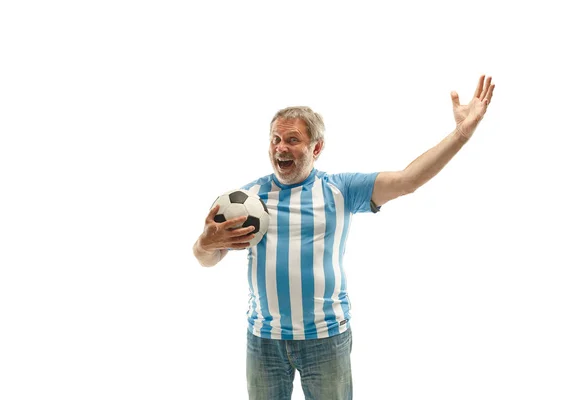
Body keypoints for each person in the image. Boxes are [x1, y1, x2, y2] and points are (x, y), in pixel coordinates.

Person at [193, 75, 495, 400]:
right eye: (275, 139)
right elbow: (206, 258)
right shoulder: (247, 197)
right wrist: (205, 243)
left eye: (292, 140)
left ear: (316, 147)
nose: (280, 147)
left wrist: (461, 134)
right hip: (264, 339)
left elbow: (408, 180)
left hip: (325, 338)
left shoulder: (339, 189)